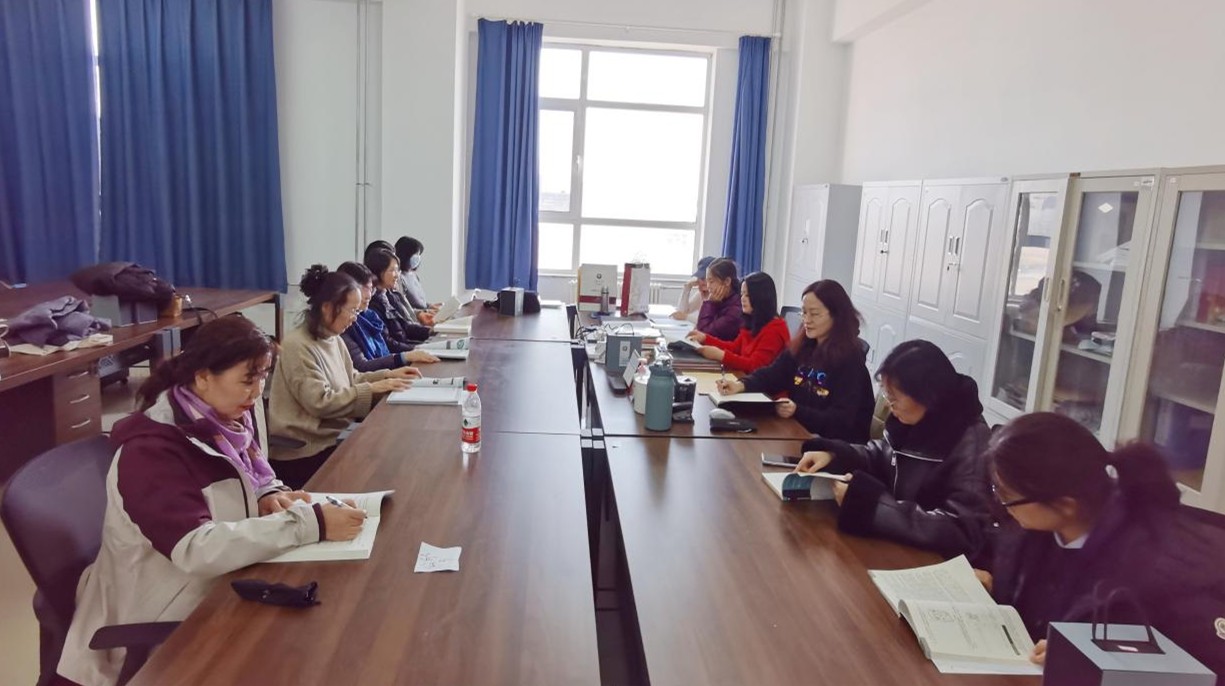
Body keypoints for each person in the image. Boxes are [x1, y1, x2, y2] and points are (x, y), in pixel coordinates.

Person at [57, 316, 368, 686]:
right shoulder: (152, 452)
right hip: (162, 611)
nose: (257, 392)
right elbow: (195, 549)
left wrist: (268, 494)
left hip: (220, 582)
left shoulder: (227, 420)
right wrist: (309, 523)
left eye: (263, 376)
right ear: (203, 377)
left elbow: (252, 473)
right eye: (247, 380)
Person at [975, 412, 1225, 675]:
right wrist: (992, 582)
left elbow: (1204, 669)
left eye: (1006, 496)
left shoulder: (1161, 570)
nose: (1000, 504)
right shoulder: (1039, 529)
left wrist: (1093, 658)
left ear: (1065, 505)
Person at [794, 340, 993, 557]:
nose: (888, 405)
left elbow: (964, 529)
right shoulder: (912, 418)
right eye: (886, 395)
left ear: (927, 395)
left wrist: (873, 506)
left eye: (894, 397)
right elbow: (882, 456)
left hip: (932, 561)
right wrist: (834, 455)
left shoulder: (971, 440)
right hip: (895, 545)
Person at [268, 265, 418, 488]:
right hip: (305, 452)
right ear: (328, 308)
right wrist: (374, 388)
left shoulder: (333, 338)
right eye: (352, 311)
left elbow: (352, 379)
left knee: (394, 453)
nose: (355, 318)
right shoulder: (297, 345)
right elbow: (320, 403)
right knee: (384, 467)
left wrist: (388, 376)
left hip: (332, 438)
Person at [716, 279, 873, 442]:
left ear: (836, 315)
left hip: (835, 447)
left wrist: (797, 411)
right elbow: (773, 374)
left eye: (814, 314)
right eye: (804, 313)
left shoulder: (850, 360)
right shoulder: (805, 345)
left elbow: (841, 421)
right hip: (800, 432)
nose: (807, 320)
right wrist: (741, 385)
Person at [335, 261, 439, 372]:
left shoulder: (370, 315)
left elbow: (402, 329)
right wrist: (406, 356)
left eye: (371, 288)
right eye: (364, 288)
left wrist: (430, 335)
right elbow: (361, 367)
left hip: (388, 372)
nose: (369, 295)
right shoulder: (344, 323)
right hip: (381, 376)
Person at [686, 271, 789, 374]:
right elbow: (735, 348)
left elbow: (755, 366)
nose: (742, 299)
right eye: (742, 294)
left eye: (747, 295)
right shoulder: (753, 320)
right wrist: (705, 338)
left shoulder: (774, 330)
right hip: (746, 379)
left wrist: (721, 355)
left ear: (761, 298)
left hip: (761, 383)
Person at [365, 248, 433, 348]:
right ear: (379, 272)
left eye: (397, 270)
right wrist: (416, 349)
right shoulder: (372, 303)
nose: (397, 275)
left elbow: (405, 327)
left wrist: (433, 331)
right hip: (399, 354)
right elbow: (388, 343)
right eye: (392, 270)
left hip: (406, 347)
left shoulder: (390, 296)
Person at [696, 258, 743, 340]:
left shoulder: (736, 310)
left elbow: (703, 334)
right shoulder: (721, 301)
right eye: (707, 281)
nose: (708, 286)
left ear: (727, 281)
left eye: (711, 281)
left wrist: (710, 303)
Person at [395, 235, 440, 312]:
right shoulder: (398, 278)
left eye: (419, 254)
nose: (418, 258)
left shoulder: (413, 275)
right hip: (415, 317)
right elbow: (403, 307)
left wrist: (430, 306)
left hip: (425, 313)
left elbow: (421, 303)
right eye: (416, 254)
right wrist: (425, 311)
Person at [672, 255, 714, 323]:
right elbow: (681, 311)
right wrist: (687, 288)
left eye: (706, 277)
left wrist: (686, 317)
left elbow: (710, 321)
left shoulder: (718, 296)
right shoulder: (701, 294)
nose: (702, 280)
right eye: (700, 277)